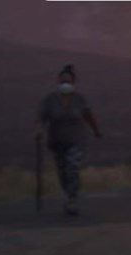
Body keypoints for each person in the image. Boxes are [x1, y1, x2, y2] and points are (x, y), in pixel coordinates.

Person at [36, 64, 102, 216]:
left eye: (68, 81)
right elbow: (41, 117)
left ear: (73, 82)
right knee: (62, 170)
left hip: (76, 140)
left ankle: (72, 198)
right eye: (62, 81)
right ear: (58, 82)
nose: (65, 84)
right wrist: (38, 130)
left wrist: (97, 131)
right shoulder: (50, 99)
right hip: (57, 141)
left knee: (72, 167)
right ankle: (67, 193)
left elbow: (88, 115)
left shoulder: (79, 99)